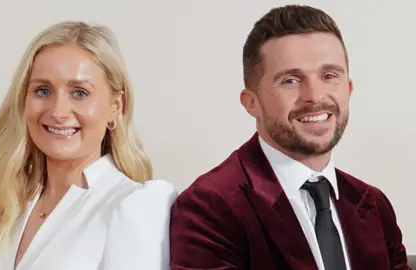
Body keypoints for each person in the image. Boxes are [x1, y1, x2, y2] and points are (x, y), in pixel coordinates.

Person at [170, 5, 412, 270]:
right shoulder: (210, 208)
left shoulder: (373, 203)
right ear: (251, 102)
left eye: (329, 76)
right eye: (291, 80)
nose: (315, 95)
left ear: (349, 88)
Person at [0, 21, 178, 270]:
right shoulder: (5, 206)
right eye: (43, 91)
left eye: (79, 93)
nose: (58, 112)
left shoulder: (134, 205)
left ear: (116, 106)